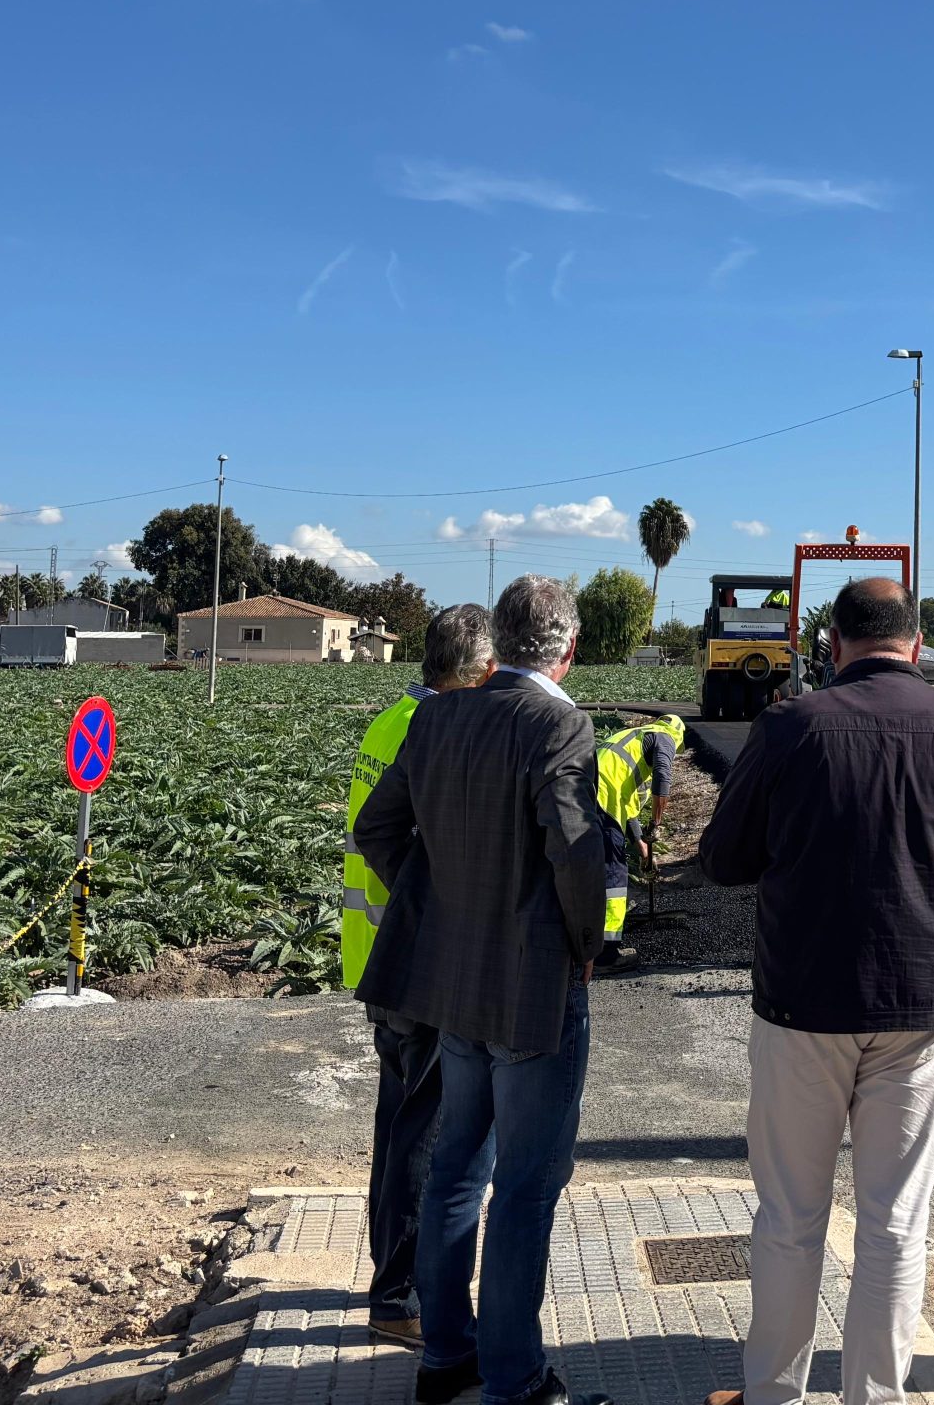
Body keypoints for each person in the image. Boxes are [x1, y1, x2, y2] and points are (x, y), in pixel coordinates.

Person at [698, 578, 934, 1405]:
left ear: (831, 644)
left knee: (792, 1218)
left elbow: (724, 859)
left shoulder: (790, 728)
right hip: (922, 1003)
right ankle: (876, 1396)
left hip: (805, 1000)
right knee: (895, 1220)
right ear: (917, 645)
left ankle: (773, 1392)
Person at [354, 575, 615, 1405]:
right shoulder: (557, 722)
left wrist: (435, 905)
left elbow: (377, 827)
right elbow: (575, 853)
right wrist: (584, 947)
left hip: (452, 985)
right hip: (532, 992)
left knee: (456, 1165)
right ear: (568, 648)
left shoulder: (437, 714)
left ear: (500, 643)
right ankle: (513, 1378)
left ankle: (445, 1357)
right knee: (528, 1184)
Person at [342, 603, 498, 1345]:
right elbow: (395, 838)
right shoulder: (434, 730)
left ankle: (388, 1277)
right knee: (425, 1135)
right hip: (416, 961)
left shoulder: (392, 718)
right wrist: (430, 905)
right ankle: (398, 1296)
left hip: (376, 955)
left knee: (398, 1125)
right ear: (473, 669)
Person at [592, 712, 684, 970]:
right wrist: (656, 823)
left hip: (584, 793)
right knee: (614, 872)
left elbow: (628, 809)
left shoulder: (633, 739)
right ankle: (606, 953)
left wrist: (644, 849)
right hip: (601, 798)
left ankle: (583, 940)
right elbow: (663, 779)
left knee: (590, 867)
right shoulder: (666, 736)